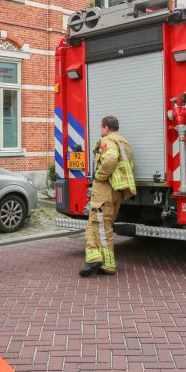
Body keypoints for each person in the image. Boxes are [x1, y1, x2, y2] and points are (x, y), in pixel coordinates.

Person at [79, 116, 136, 277]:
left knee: (98, 225)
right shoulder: (125, 143)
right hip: (117, 190)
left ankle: (100, 261)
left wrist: (99, 176)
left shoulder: (108, 140)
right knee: (102, 225)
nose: (100, 130)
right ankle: (102, 260)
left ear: (106, 128)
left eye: (100, 127)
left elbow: (110, 160)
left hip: (104, 189)